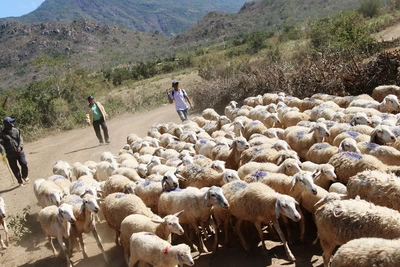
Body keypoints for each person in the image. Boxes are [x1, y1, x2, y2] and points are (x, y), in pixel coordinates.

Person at [0, 117, 29, 186]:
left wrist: (20, 147)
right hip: (10, 154)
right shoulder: (1, 134)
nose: (12, 123)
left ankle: (24, 176)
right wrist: (3, 152)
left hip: (19, 152)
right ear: (7, 124)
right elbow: (1, 144)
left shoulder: (16, 131)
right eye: (11, 122)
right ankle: (20, 181)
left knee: (24, 163)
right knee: (14, 168)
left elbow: (20, 140)